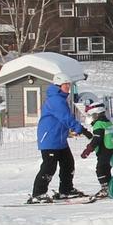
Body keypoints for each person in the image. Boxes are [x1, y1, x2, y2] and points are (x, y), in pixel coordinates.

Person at [29, 71, 92, 202]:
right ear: (58, 85)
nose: (68, 87)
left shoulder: (60, 99)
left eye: (69, 85)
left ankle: (66, 190)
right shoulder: (56, 100)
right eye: (66, 85)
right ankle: (38, 194)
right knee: (49, 166)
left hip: (59, 139)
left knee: (68, 164)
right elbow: (66, 118)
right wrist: (82, 130)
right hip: (50, 139)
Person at [79, 102, 113, 199]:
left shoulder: (98, 124)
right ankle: (110, 188)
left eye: (91, 116)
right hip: (112, 150)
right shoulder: (109, 123)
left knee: (100, 170)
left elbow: (97, 139)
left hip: (104, 151)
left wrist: (88, 150)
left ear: (95, 115)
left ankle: (105, 189)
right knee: (106, 170)